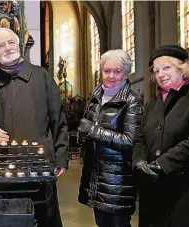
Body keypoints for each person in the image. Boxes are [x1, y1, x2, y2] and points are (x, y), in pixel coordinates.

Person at [0, 28, 68, 227]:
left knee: (44, 220)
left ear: (18, 45)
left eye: (11, 43)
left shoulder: (42, 77)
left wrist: (61, 158)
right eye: (0, 45)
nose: (7, 48)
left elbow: (58, 120)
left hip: (39, 168)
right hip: (4, 170)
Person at [132, 44, 189, 227]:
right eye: (156, 71)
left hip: (187, 193)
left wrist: (160, 165)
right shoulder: (151, 106)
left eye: (166, 68)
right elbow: (139, 139)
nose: (160, 74)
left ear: (183, 68)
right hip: (153, 193)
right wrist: (139, 162)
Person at [77, 49, 143, 227]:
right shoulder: (95, 96)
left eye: (117, 71)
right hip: (95, 175)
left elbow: (130, 140)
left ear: (126, 73)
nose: (111, 76)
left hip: (119, 179)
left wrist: (93, 131)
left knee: (118, 223)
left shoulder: (132, 100)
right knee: (102, 222)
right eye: (107, 71)